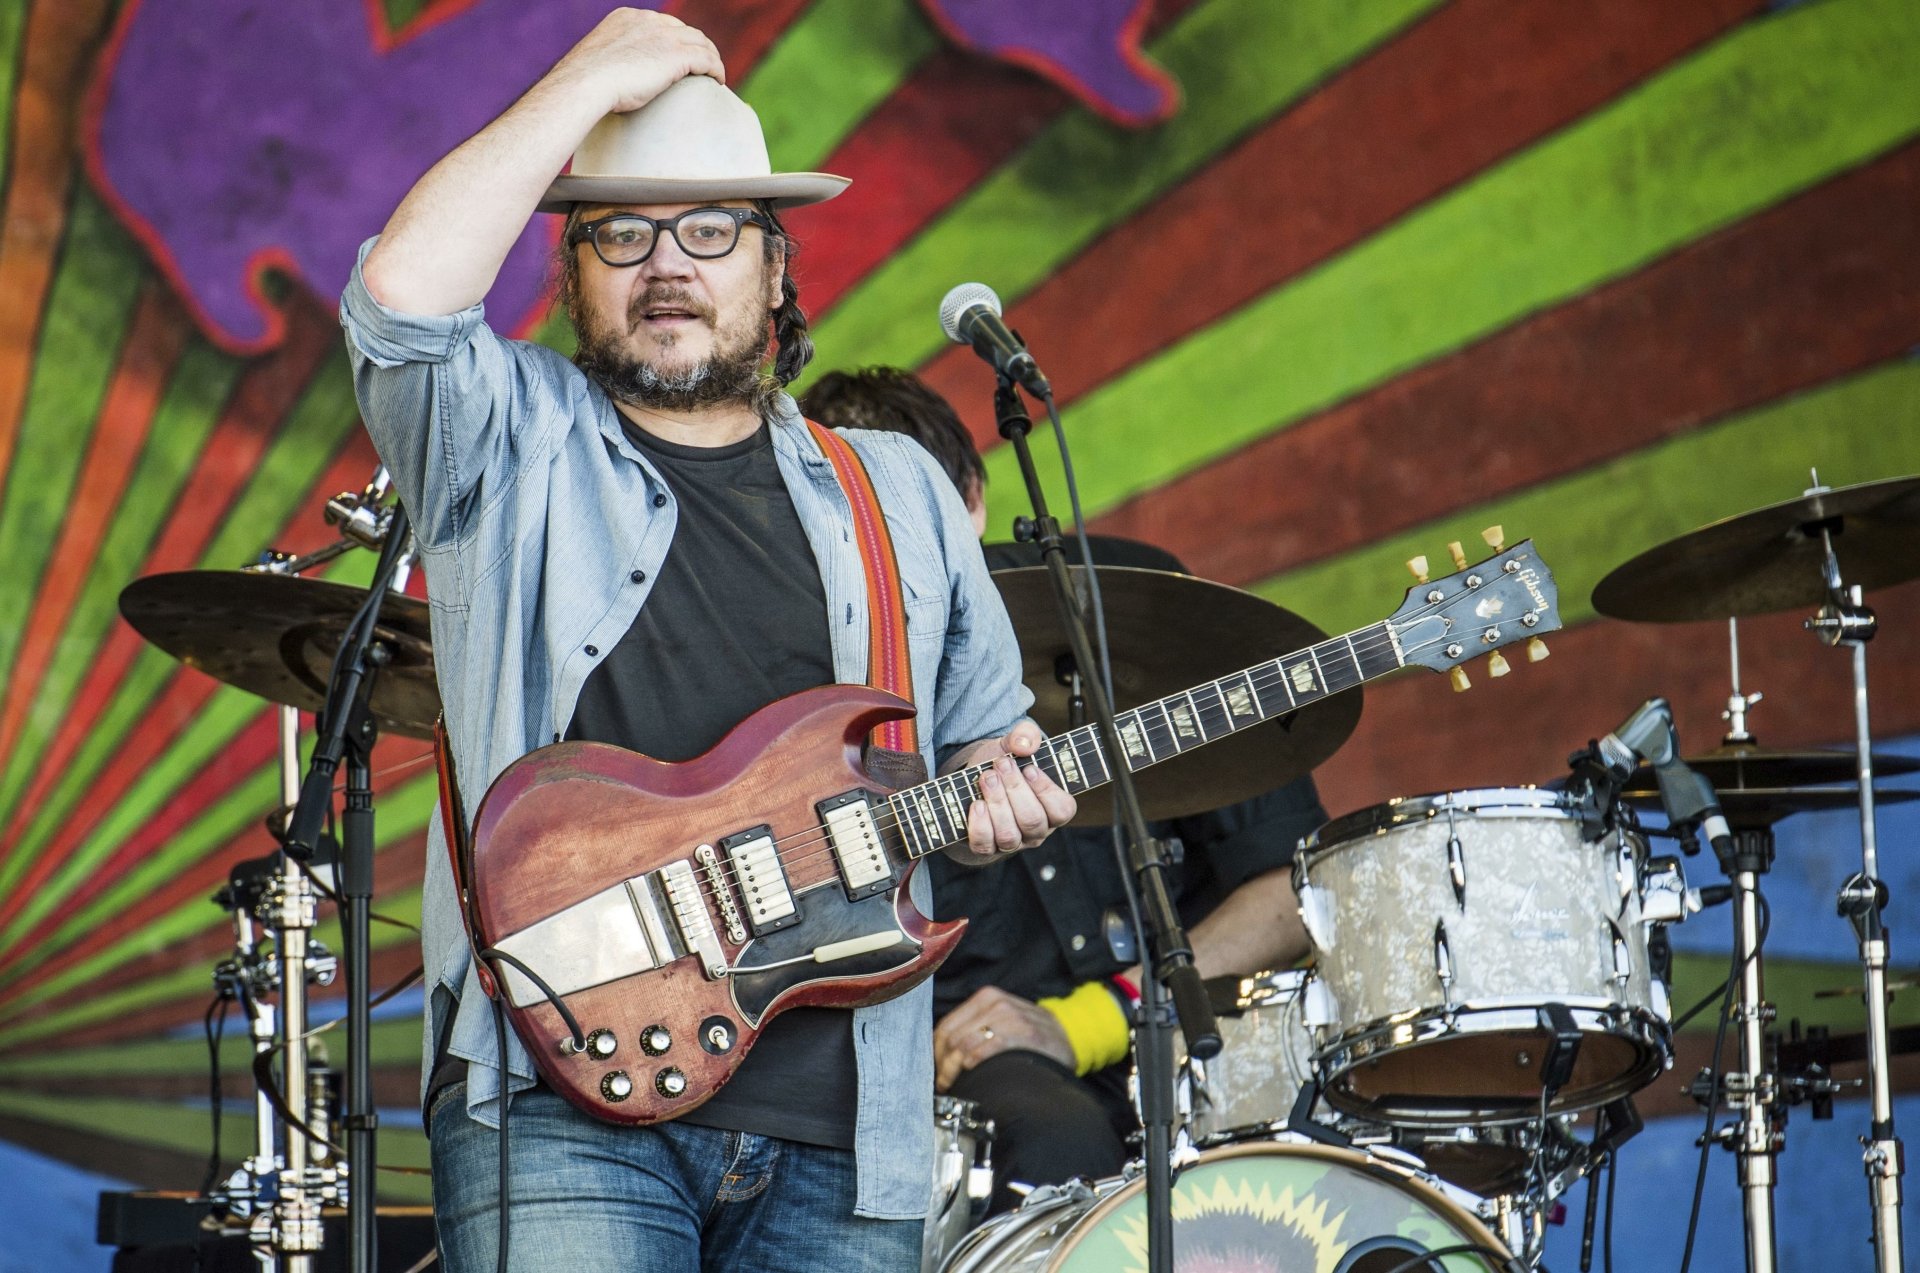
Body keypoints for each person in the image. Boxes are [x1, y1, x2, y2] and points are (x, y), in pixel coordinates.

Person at [340, 13, 1076, 1271]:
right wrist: (587, 81)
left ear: (777, 270)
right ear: (572, 276)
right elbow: (401, 302)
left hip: (850, 1126)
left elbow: (984, 741)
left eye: (711, 229)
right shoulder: (506, 444)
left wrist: (1011, 791)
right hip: (559, 1103)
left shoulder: (894, 486)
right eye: (620, 233)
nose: (666, 263)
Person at [800, 367, 1327, 1211]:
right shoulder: (812, 717)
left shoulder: (1142, 617)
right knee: (1058, 1145)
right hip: (977, 1076)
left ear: (969, 503)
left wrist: (1097, 1018)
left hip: (1196, 1031)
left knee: (1323, 1141)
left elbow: (1295, 891)